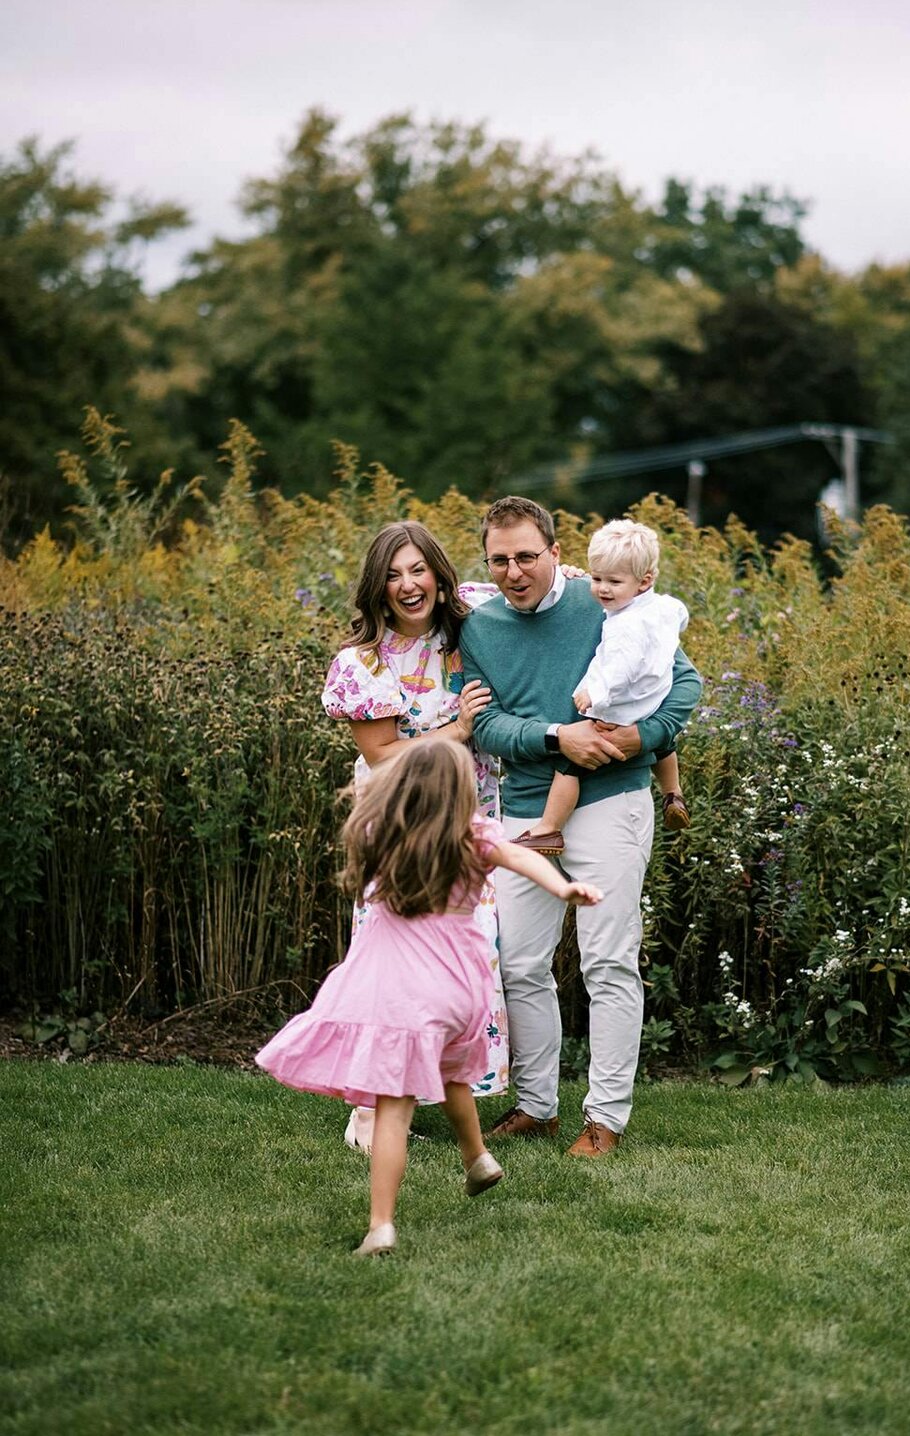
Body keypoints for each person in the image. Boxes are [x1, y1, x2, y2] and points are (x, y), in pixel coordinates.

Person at [256, 738, 603, 1256]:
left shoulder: (381, 835)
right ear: (463, 792)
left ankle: (381, 1227)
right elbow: (516, 855)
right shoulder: (475, 837)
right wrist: (562, 889)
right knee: (451, 1073)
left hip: (405, 995)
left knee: (394, 1109)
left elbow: (366, 816)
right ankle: (478, 1158)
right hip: (461, 994)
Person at [459, 496, 702, 1158]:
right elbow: (485, 724)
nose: (514, 571)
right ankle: (537, 1107)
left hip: (611, 801)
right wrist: (552, 734)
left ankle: (606, 1119)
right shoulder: (481, 630)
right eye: (499, 560)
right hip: (527, 811)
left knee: (608, 960)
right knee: (520, 963)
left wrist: (636, 739)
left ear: (556, 553)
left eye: (527, 557)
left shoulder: (606, 601)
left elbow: (683, 685)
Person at [319, 521, 507, 1155]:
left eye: (418, 570)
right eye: (394, 574)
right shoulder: (360, 663)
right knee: (392, 965)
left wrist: (592, 581)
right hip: (396, 824)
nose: (408, 585)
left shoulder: (471, 622)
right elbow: (384, 756)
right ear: (378, 585)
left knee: (464, 958)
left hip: (466, 816)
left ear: (437, 574)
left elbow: (538, 577)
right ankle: (369, 1108)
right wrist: (456, 732)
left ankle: (441, 1090)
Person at [515, 519, 691, 855]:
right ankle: (673, 793)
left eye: (613, 581)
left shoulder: (624, 625)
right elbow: (680, 615)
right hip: (651, 701)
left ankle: (548, 828)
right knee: (665, 742)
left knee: (570, 767)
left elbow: (618, 669)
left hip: (618, 709)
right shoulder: (663, 606)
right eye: (596, 579)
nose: (602, 590)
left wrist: (595, 694)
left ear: (644, 581)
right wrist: (578, 579)